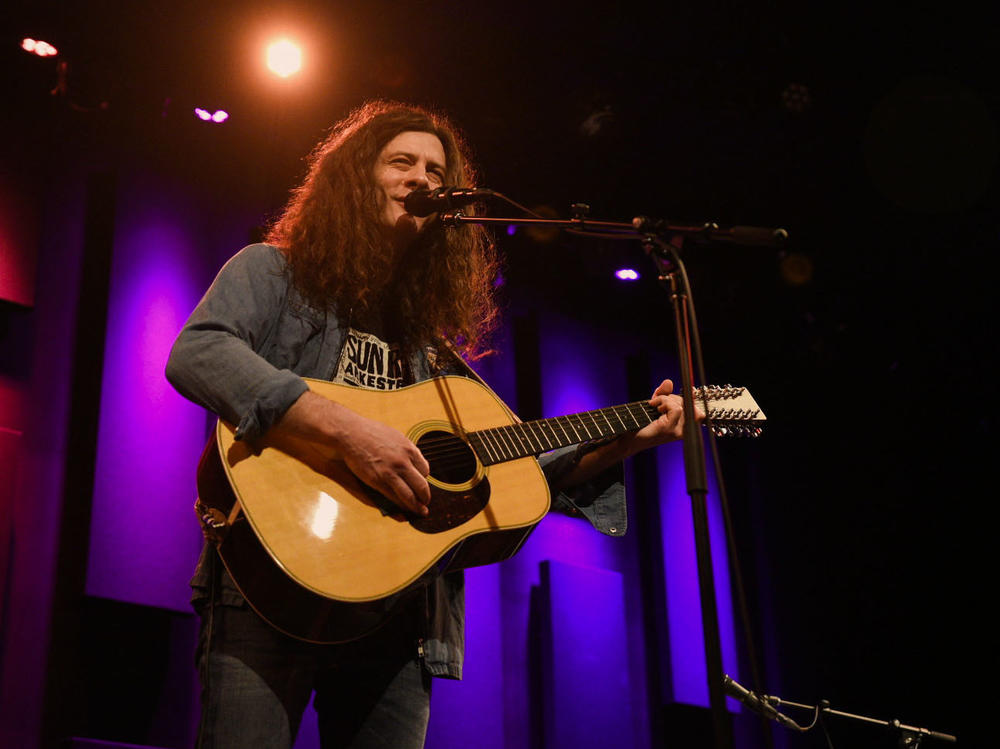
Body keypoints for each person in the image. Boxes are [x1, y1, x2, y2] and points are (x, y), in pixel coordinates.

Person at [166, 100, 694, 749]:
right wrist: (349, 432)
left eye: (437, 171)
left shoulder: (432, 351)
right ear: (357, 178)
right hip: (268, 586)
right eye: (402, 162)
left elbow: (518, 471)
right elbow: (199, 352)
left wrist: (633, 437)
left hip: (399, 619)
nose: (424, 179)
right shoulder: (272, 272)